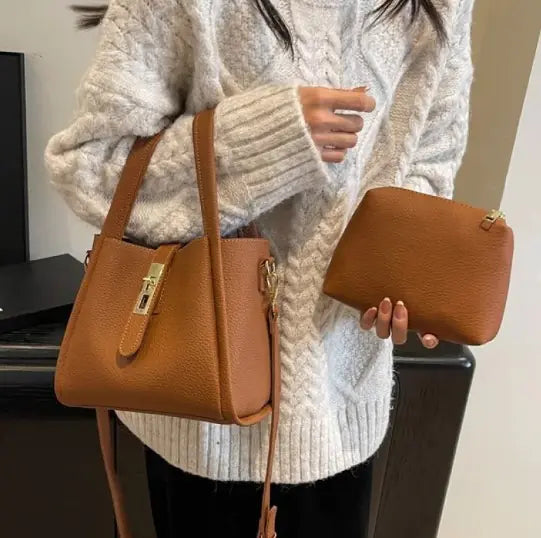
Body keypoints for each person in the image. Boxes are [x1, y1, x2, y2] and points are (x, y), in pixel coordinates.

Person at [45, 0, 474, 536]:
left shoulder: (443, 6)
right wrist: (267, 139)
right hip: (196, 410)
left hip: (342, 409)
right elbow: (92, 169)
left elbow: (430, 163)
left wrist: (402, 273)